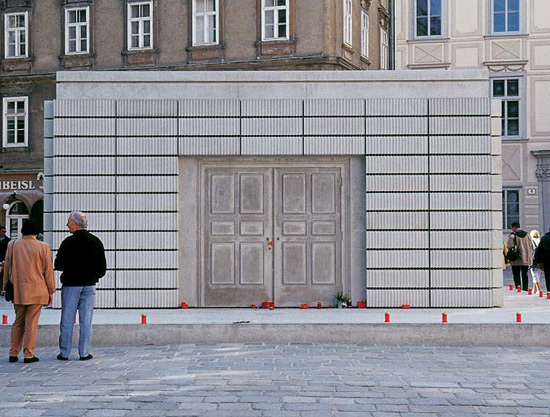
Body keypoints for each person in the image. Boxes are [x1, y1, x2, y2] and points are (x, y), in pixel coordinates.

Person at [55, 211, 106, 361]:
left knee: (67, 319)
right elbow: (102, 268)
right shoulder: (96, 241)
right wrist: (92, 276)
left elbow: (58, 264)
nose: (67, 225)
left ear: (76, 224)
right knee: (86, 319)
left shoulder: (67, 242)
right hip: (89, 285)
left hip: (71, 284)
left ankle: (64, 352)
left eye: (69, 222)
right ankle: (84, 352)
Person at [2, 220, 55, 363]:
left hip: (18, 290)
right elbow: (48, 271)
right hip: (37, 290)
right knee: (31, 323)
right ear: (37, 233)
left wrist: (5, 286)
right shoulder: (43, 247)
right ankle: (28, 354)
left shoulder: (12, 245)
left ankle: (13, 352)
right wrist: (51, 290)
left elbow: (7, 268)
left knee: (18, 321)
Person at [507, 221, 533, 292]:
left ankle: (518, 288)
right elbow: (531, 246)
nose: (511, 229)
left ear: (514, 227)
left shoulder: (513, 236)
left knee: (516, 275)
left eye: (511, 228)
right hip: (526, 258)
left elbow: (509, 246)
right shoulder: (527, 235)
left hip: (516, 259)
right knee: (525, 275)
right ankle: (525, 289)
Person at [535, 227, 550, 292]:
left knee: (548, 277)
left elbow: (539, 251)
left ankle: (549, 291)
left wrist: (539, 261)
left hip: (547, 261)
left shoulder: (544, 238)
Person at [530, 230, 542, 294]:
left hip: (533, 259)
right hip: (540, 259)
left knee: (534, 274)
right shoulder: (540, 240)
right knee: (538, 274)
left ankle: (539, 289)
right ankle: (534, 289)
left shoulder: (531, 241)